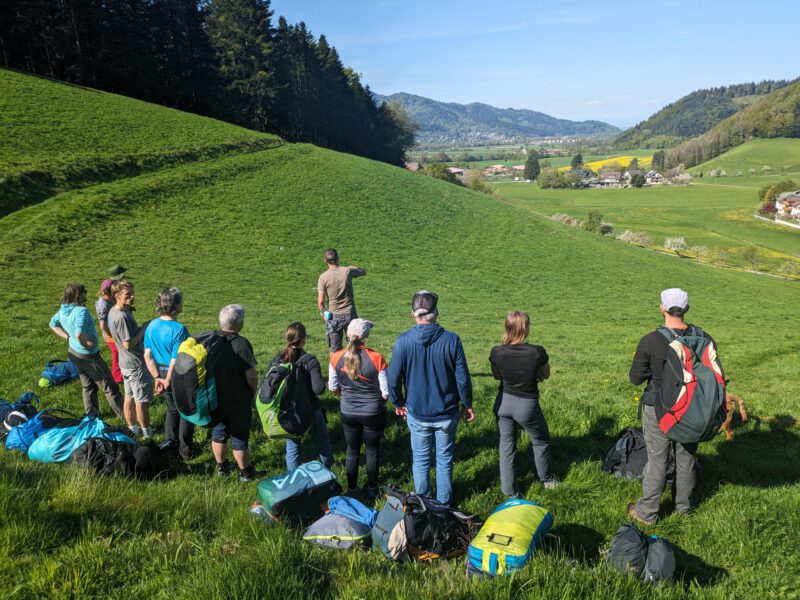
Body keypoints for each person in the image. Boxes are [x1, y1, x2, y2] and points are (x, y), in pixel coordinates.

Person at [627, 288, 723, 525]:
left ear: (662, 308)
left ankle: (648, 512)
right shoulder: (704, 338)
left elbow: (635, 378)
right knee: (686, 458)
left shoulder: (651, 340)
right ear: (687, 309)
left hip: (659, 409)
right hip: (692, 409)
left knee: (658, 460)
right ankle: (684, 508)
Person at [387, 290, 474, 506]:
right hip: (446, 412)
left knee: (421, 459)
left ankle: (423, 504)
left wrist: (398, 402)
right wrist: (467, 404)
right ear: (436, 312)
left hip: (417, 412)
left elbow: (393, 378)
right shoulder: (452, 340)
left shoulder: (403, 341)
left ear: (413, 314)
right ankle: (443, 505)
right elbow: (462, 378)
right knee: (444, 460)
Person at [489, 311, 559, 497]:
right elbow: (546, 374)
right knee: (540, 440)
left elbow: (497, 376)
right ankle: (547, 480)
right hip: (526, 405)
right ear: (525, 328)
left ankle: (510, 491)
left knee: (506, 445)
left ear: (507, 327)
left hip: (503, 402)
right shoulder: (537, 352)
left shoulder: (496, 352)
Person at [329, 318, 389, 494]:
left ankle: (352, 488)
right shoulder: (376, 358)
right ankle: (372, 487)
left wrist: (345, 397)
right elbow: (385, 393)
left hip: (347, 410)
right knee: (372, 450)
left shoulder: (335, 357)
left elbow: (333, 387)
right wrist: (377, 403)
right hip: (372, 412)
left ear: (347, 335)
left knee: (351, 450)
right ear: (366, 337)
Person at [49, 283, 125, 419]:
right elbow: (79, 334)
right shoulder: (80, 311)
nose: (86, 295)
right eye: (84, 293)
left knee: (88, 385)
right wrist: (87, 343)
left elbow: (53, 324)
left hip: (74, 353)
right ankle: (127, 416)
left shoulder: (63, 310)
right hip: (88, 356)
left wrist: (68, 337)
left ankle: (91, 415)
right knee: (109, 386)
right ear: (78, 295)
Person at [271, 322, 334, 471]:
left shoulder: (277, 359)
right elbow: (318, 389)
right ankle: (328, 474)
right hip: (310, 410)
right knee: (323, 442)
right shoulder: (309, 360)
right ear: (304, 339)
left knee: (292, 449)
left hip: (286, 412)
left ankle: (293, 479)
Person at [143, 287, 195, 460]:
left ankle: (170, 444)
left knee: (172, 409)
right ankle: (185, 450)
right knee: (186, 411)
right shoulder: (179, 329)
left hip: (160, 370)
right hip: (177, 373)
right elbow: (175, 359)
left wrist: (157, 377)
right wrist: (167, 380)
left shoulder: (152, 325)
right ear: (176, 306)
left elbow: (147, 355)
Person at [212, 304, 260, 483]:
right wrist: (253, 393)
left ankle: (221, 467)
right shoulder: (242, 343)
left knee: (219, 432)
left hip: (215, 396)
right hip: (238, 398)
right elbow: (252, 376)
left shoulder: (212, 339)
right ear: (239, 324)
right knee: (239, 436)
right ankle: (245, 473)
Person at [108, 280, 153, 437]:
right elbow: (128, 344)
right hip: (135, 363)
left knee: (129, 397)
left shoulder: (113, 312)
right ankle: (147, 433)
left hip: (124, 362)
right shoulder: (122, 317)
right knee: (141, 401)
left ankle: (132, 429)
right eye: (128, 294)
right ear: (117, 296)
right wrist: (144, 329)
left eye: (133, 292)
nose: (132, 296)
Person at [317, 248, 366, 351]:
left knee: (334, 350)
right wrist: (354, 267)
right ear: (338, 258)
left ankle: (335, 367)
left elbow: (321, 301)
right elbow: (362, 271)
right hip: (350, 315)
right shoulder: (347, 271)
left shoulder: (323, 277)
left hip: (333, 317)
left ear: (325, 260)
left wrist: (323, 314)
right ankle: (353, 366)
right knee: (354, 348)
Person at [95, 279, 123, 385]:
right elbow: (103, 325)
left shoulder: (110, 299)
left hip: (115, 333)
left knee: (120, 354)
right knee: (116, 355)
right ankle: (117, 377)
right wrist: (112, 335)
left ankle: (120, 373)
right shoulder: (103, 304)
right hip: (111, 336)